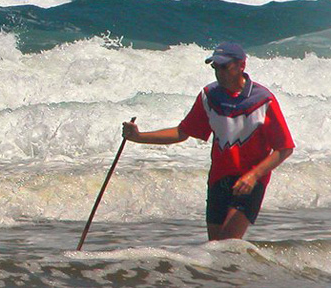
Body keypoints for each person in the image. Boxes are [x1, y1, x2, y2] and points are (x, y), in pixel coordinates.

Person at [122, 42, 294, 241]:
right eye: (215, 67)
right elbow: (181, 132)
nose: (219, 73)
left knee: (227, 244)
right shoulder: (209, 97)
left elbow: (285, 147)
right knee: (215, 247)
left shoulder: (263, 100)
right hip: (218, 180)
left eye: (224, 67)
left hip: (249, 182)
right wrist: (138, 137)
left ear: (241, 66)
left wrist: (253, 176)